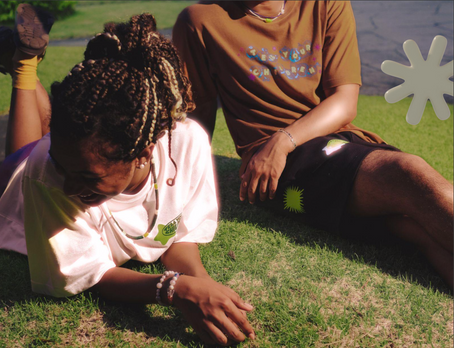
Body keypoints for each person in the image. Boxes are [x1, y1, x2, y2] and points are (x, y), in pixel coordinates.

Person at [0, 4, 255, 346]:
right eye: (64, 169)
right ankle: (22, 65)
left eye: (88, 177)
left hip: (70, 149)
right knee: (24, 155)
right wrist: (173, 289)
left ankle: (22, 62)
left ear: (144, 153)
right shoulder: (48, 173)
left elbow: (180, 236)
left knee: (58, 144)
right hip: (24, 180)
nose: (68, 186)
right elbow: (84, 273)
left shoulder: (186, 142)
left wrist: (201, 283)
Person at [173, 1, 453, 289]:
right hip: (274, 168)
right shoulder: (200, 20)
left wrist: (284, 140)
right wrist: (183, 187)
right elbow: (198, 117)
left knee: (415, 222)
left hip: (336, 141)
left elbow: (345, 101)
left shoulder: (326, 3)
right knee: (407, 173)